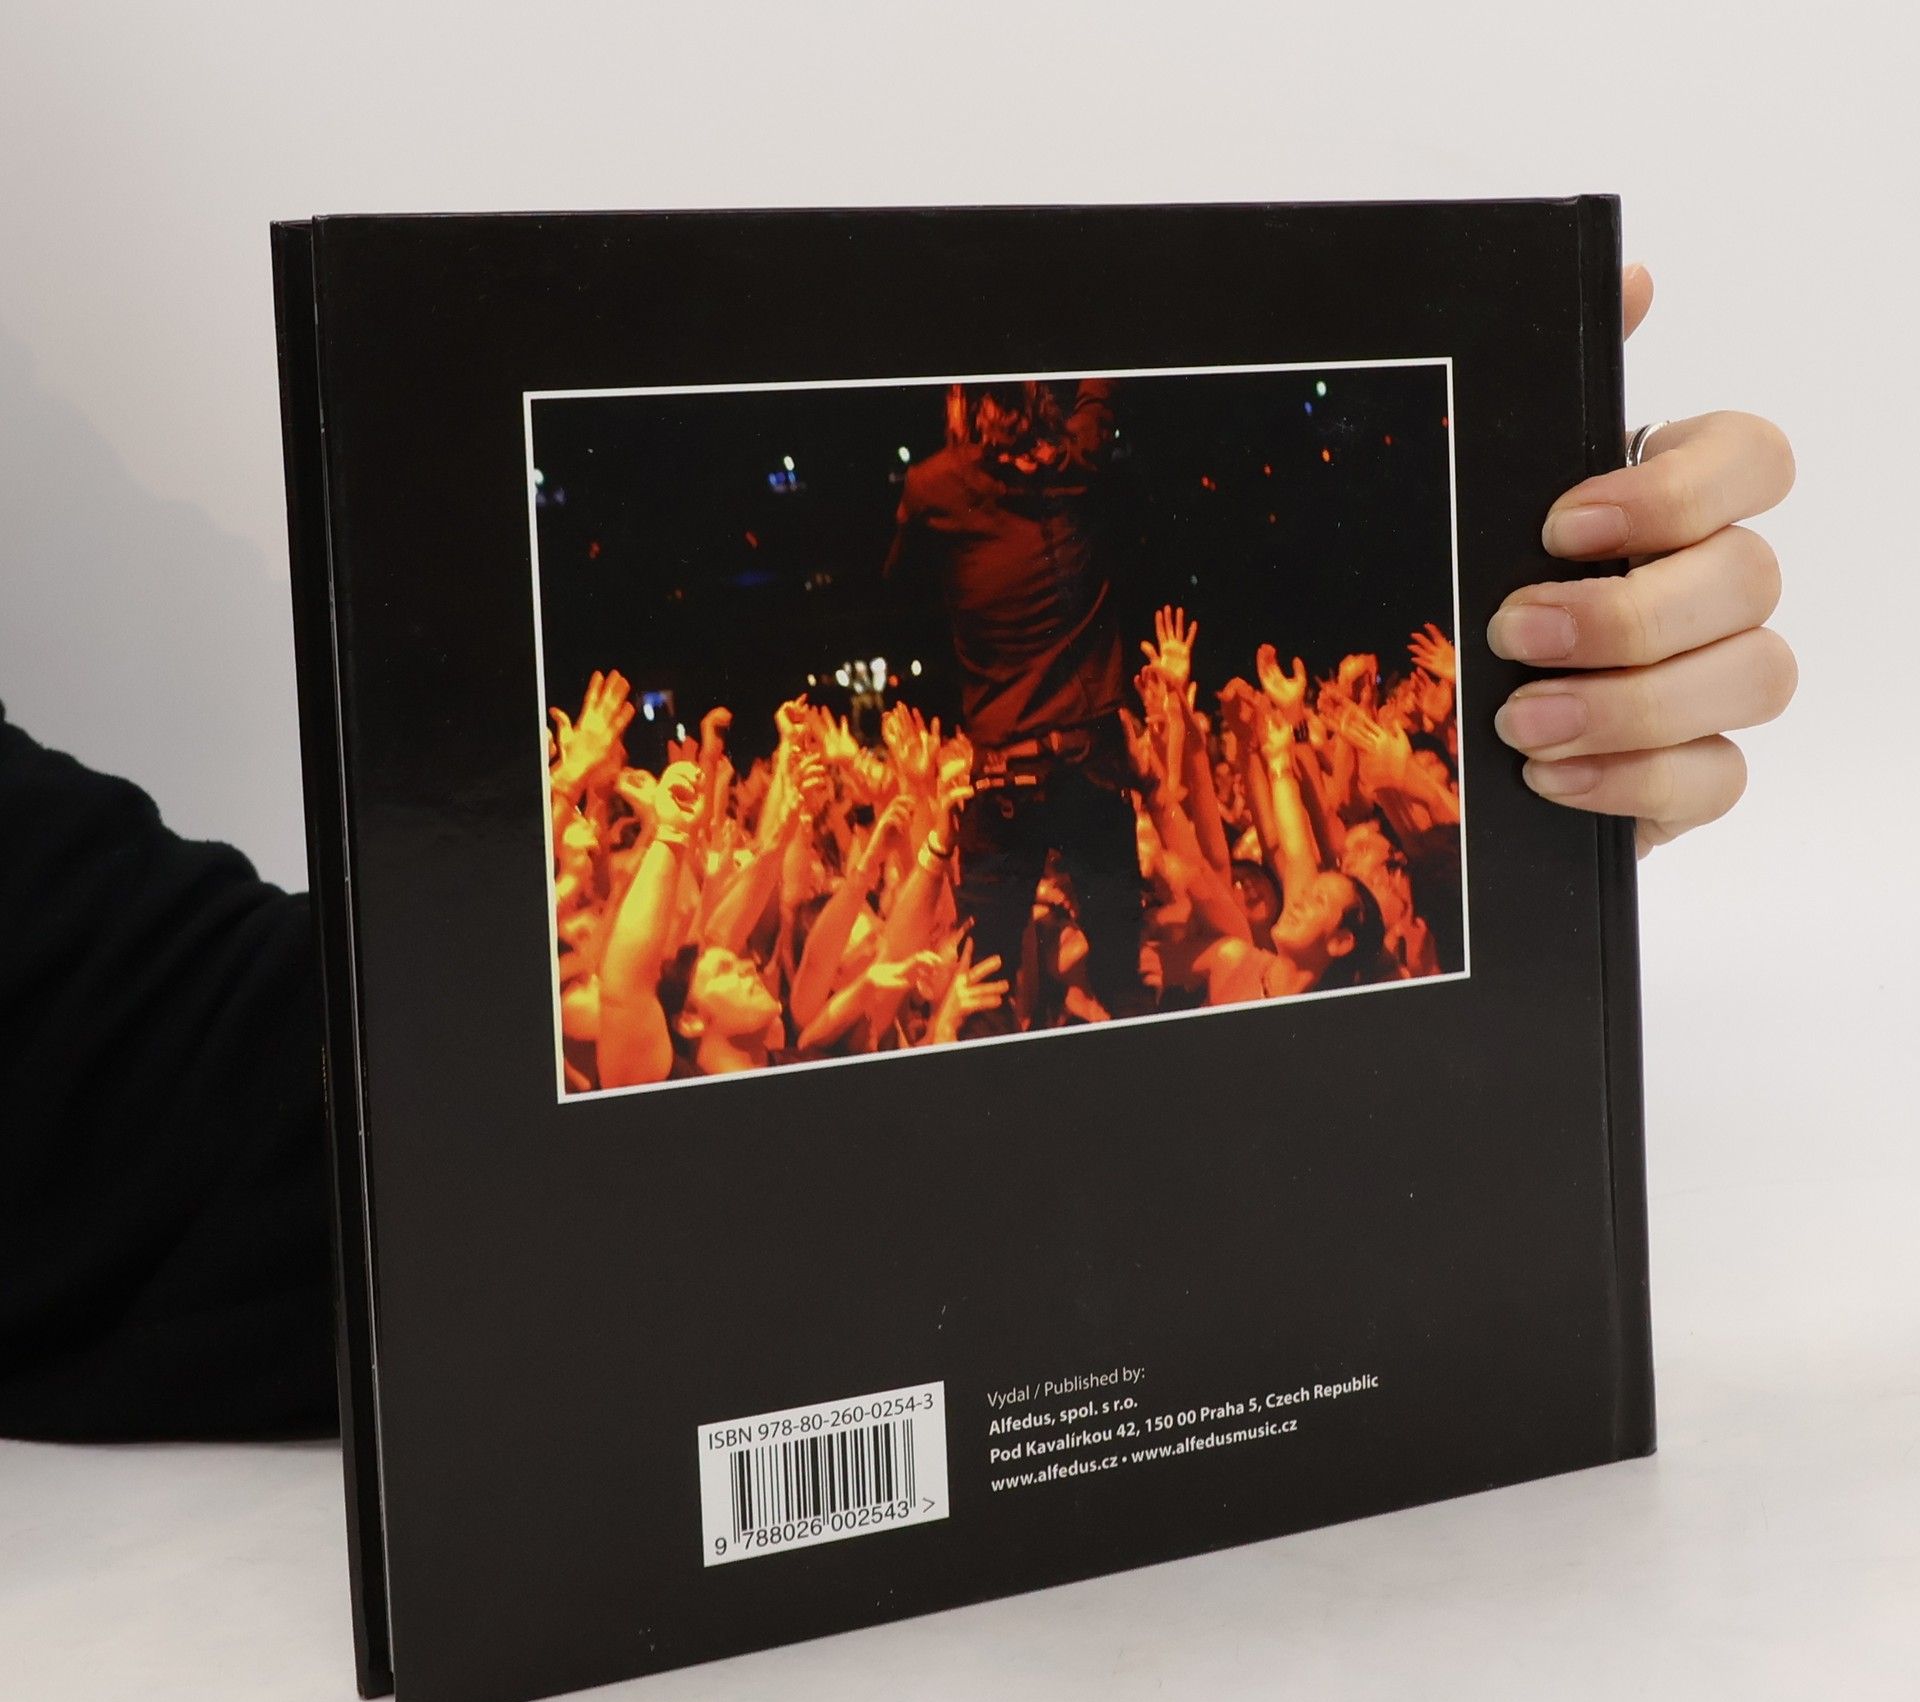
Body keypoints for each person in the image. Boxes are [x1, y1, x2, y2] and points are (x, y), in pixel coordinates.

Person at [0, 264, 1799, 1441]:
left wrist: (1508, 834)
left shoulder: (943, 499)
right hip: (1077, 781)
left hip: (1002, 785)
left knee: (1011, 986)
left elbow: (201, 1104)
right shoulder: (1071, 486)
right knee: (1101, 985)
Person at [885, 378, 1152, 1024]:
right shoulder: (1078, 464)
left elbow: (900, 594)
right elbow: (1096, 401)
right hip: (1092, 763)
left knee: (985, 988)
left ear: (961, 401)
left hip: (1006, 768)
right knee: (1122, 977)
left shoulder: (934, 487)